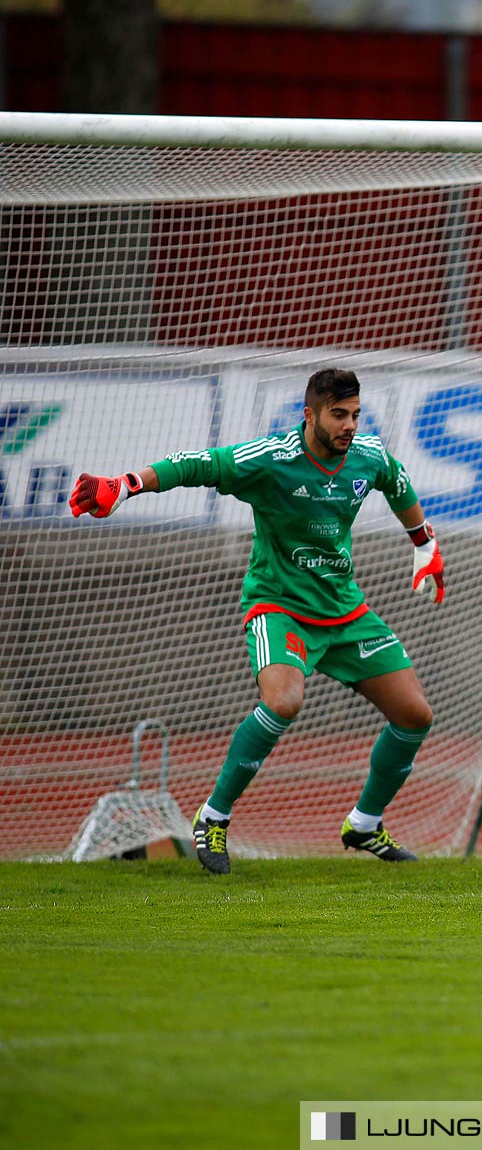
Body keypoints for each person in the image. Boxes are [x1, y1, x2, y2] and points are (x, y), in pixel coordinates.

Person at [69, 368, 445, 874]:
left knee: (415, 715)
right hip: (279, 604)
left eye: (355, 414)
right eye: (338, 415)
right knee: (284, 700)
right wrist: (128, 484)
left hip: (344, 609)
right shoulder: (272, 459)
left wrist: (424, 545)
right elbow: (196, 463)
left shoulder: (367, 455)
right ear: (309, 415)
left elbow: (398, 484)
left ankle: (363, 824)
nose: (350, 425)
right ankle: (214, 817)